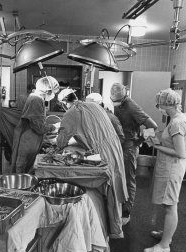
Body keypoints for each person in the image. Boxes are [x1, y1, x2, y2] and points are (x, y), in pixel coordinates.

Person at [57, 91, 128, 238]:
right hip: (114, 147)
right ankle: (116, 223)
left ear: (64, 104)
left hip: (103, 152)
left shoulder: (71, 113)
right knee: (116, 181)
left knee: (110, 188)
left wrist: (57, 145)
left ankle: (112, 229)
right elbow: (90, 131)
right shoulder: (92, 106)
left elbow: (61, 141)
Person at [143, 88, 186, 252]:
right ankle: (166, 235)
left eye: (159, 105)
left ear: (167, 105)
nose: (159, 108)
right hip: (169, 167)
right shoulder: (177, 118)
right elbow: (172, 143)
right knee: (167, 203)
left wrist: (156, 145)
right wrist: (156, 138)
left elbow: (181, 152)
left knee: (170, 206)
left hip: (172, 169)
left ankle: (164, 246)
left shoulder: (177, 123)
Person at [110, 83, 158, 225]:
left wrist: (140, 140)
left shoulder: (131, 106)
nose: (115, 103)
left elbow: (153, 126)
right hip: (120, 146)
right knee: (120, 177)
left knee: (128, 178)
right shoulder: (118, 103)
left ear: (125, 96)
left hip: (129, 148)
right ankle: (120, 205)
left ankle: (126, 211)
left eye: (118, 101)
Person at [11, 76, 60, 173]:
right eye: (53, 92)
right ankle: (21, 186)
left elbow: (37, 121)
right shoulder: (36, 100)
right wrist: (54, 127)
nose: (53, 95)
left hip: (31, 137)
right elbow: (39, 127)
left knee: (24, 166)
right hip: (29, 139)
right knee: (22, 167)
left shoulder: (36, 97)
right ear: (48, 91)